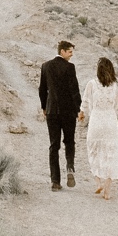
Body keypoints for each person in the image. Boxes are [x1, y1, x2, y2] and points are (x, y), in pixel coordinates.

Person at [80, 56, 118, 200]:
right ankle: (107, 190)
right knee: (110, 154)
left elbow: (85, 102)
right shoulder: (115, 85)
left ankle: (98, 182)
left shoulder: (92, 84)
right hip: (110, 121)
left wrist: (82, 114)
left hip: (96, 120)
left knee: (93, 150)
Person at [38, 39, 82, 191]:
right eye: (70, 52)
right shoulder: (70, 68)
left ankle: (55, 181)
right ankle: (70, 167)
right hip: (68, 111)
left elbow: (42, 89)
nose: (71, 55)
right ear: (62, 51)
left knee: (53, 145)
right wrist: (79, 109)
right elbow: (74, 90)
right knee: (69, 142)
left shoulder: (45, 66)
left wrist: (44, 106)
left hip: (52, 111)